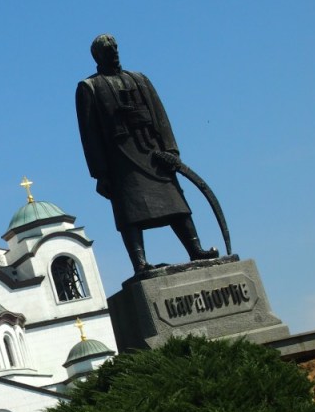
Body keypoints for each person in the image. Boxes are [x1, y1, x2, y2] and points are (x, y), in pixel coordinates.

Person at [75, 34, 217, 273]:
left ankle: (195, 249)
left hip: (153, 152)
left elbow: (160, 116)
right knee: (130, 211)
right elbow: (90, 134)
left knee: (176, 202)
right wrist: (100, 173)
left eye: (115, 48)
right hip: (121, 158)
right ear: (97, 56)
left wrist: (171, 151)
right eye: (108, 50)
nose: (114, 53)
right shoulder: (89, 87)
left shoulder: (139, 79)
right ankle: (139, 262)